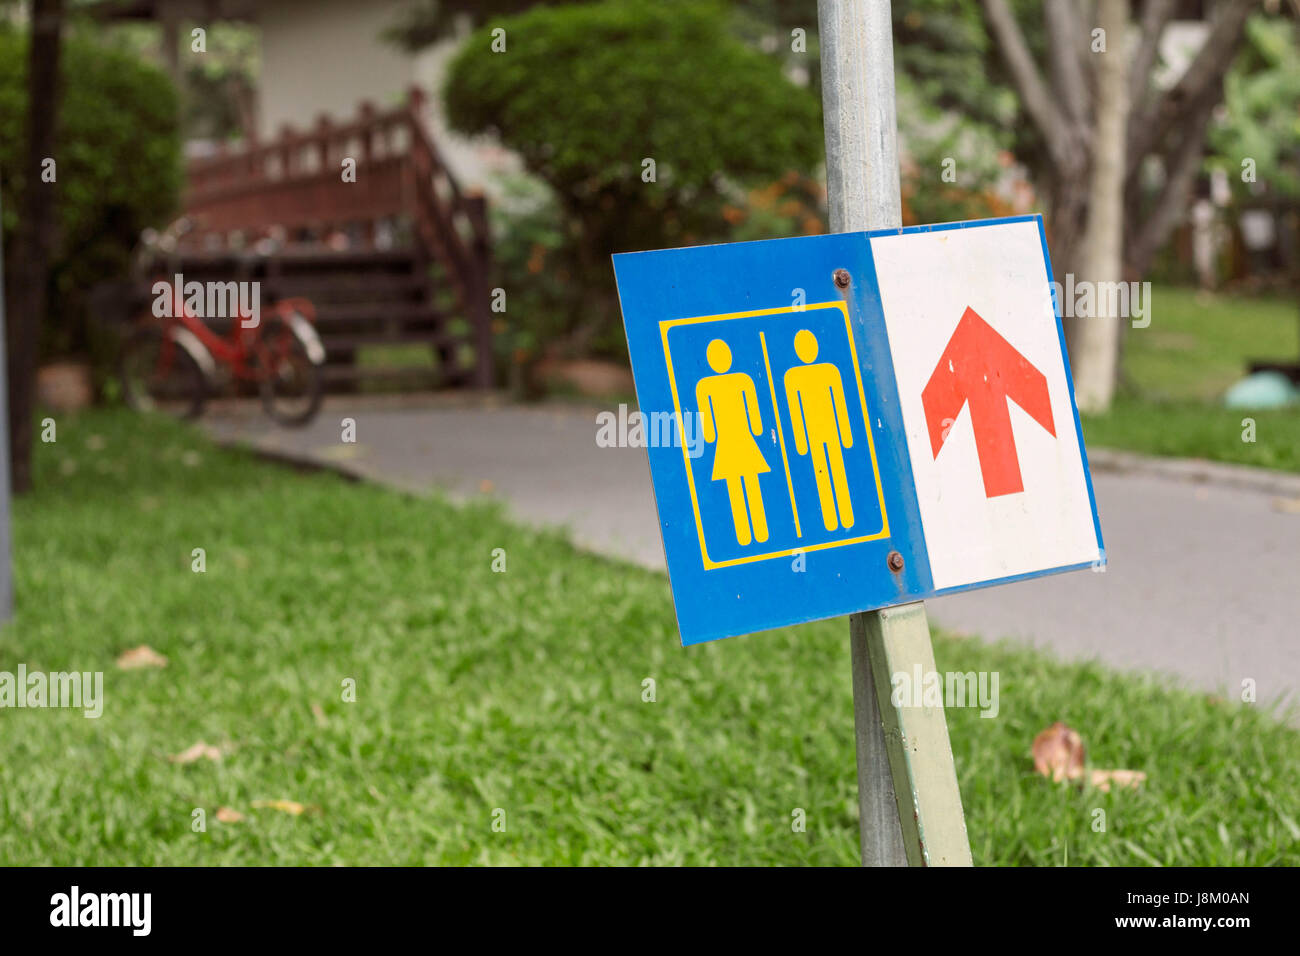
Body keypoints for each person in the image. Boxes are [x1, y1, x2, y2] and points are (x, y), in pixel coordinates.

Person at [696, 339, 770, 546]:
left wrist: (711, 436)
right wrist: (756, 429)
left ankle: (752, 534)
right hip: (736, 439)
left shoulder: (709, 385)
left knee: (743, 484)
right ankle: (752, 533)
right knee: (741, 485)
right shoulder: (732, 382)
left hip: (733, 440)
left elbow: (708, 428)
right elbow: (755, 418)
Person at [784, 329, 854, 531]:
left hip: (830, 432)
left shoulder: (829, 371)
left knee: (837, 471)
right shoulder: (793, 377)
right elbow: (795, 412)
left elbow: (839, 404)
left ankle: (846, 516)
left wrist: (846, 435)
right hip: (814, 435)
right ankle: (831, 520)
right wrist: (800, 441)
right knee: (822, 473)